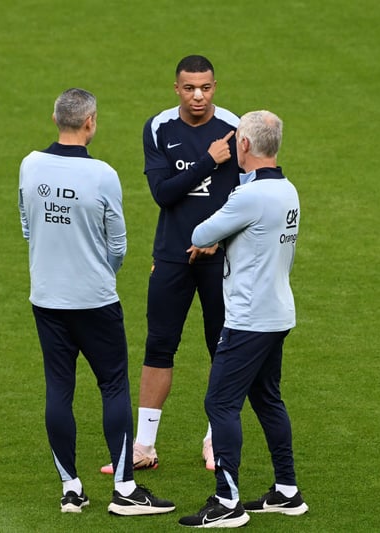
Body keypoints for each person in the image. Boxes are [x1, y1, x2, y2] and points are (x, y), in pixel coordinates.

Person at [18, 88, 174, 516]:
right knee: (113, 386)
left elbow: (28, 226)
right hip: (94, 301)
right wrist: (101, 272)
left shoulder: (30, 165)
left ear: (56, 119)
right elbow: (118, 243)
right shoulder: (102, 174)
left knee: (59, 389)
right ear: (90, 122)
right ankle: (125, 490)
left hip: (46, 297)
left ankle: (70, 488)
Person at [101, 55, 239, 475]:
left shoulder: (236, 129)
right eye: (189, 88)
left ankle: (215, 439)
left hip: (221, 258)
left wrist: (218, 239)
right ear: (176, 88)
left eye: (206, 87)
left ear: (215, 87)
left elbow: (247, 199)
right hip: (172, 256)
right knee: (159, 346)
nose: (198, 96)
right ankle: (144, 445)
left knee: (222, 347)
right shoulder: (159, 127)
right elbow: (163, 193)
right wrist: (209, 162)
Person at [178, 110, 308, 528]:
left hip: (249, 319)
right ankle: (286, 491)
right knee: (267, 400)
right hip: (277, 313)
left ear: (246, 145)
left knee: (219, 403)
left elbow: (200, 235)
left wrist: (218, 239)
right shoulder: (288, 190)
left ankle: (227, 501)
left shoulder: (249, 196)